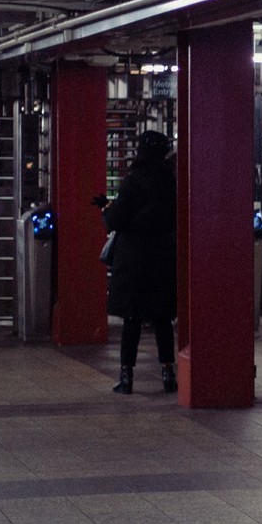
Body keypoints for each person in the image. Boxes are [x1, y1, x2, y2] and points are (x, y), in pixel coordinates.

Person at [101, 129, 178, 395]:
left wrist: (106, 210)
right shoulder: (170, 180)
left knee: (132, 319)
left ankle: (126, 377)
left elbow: (115, 220)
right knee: (162, 318)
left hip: (134, 257)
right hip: (163, 256)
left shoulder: (132, 180)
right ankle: (168, 374)